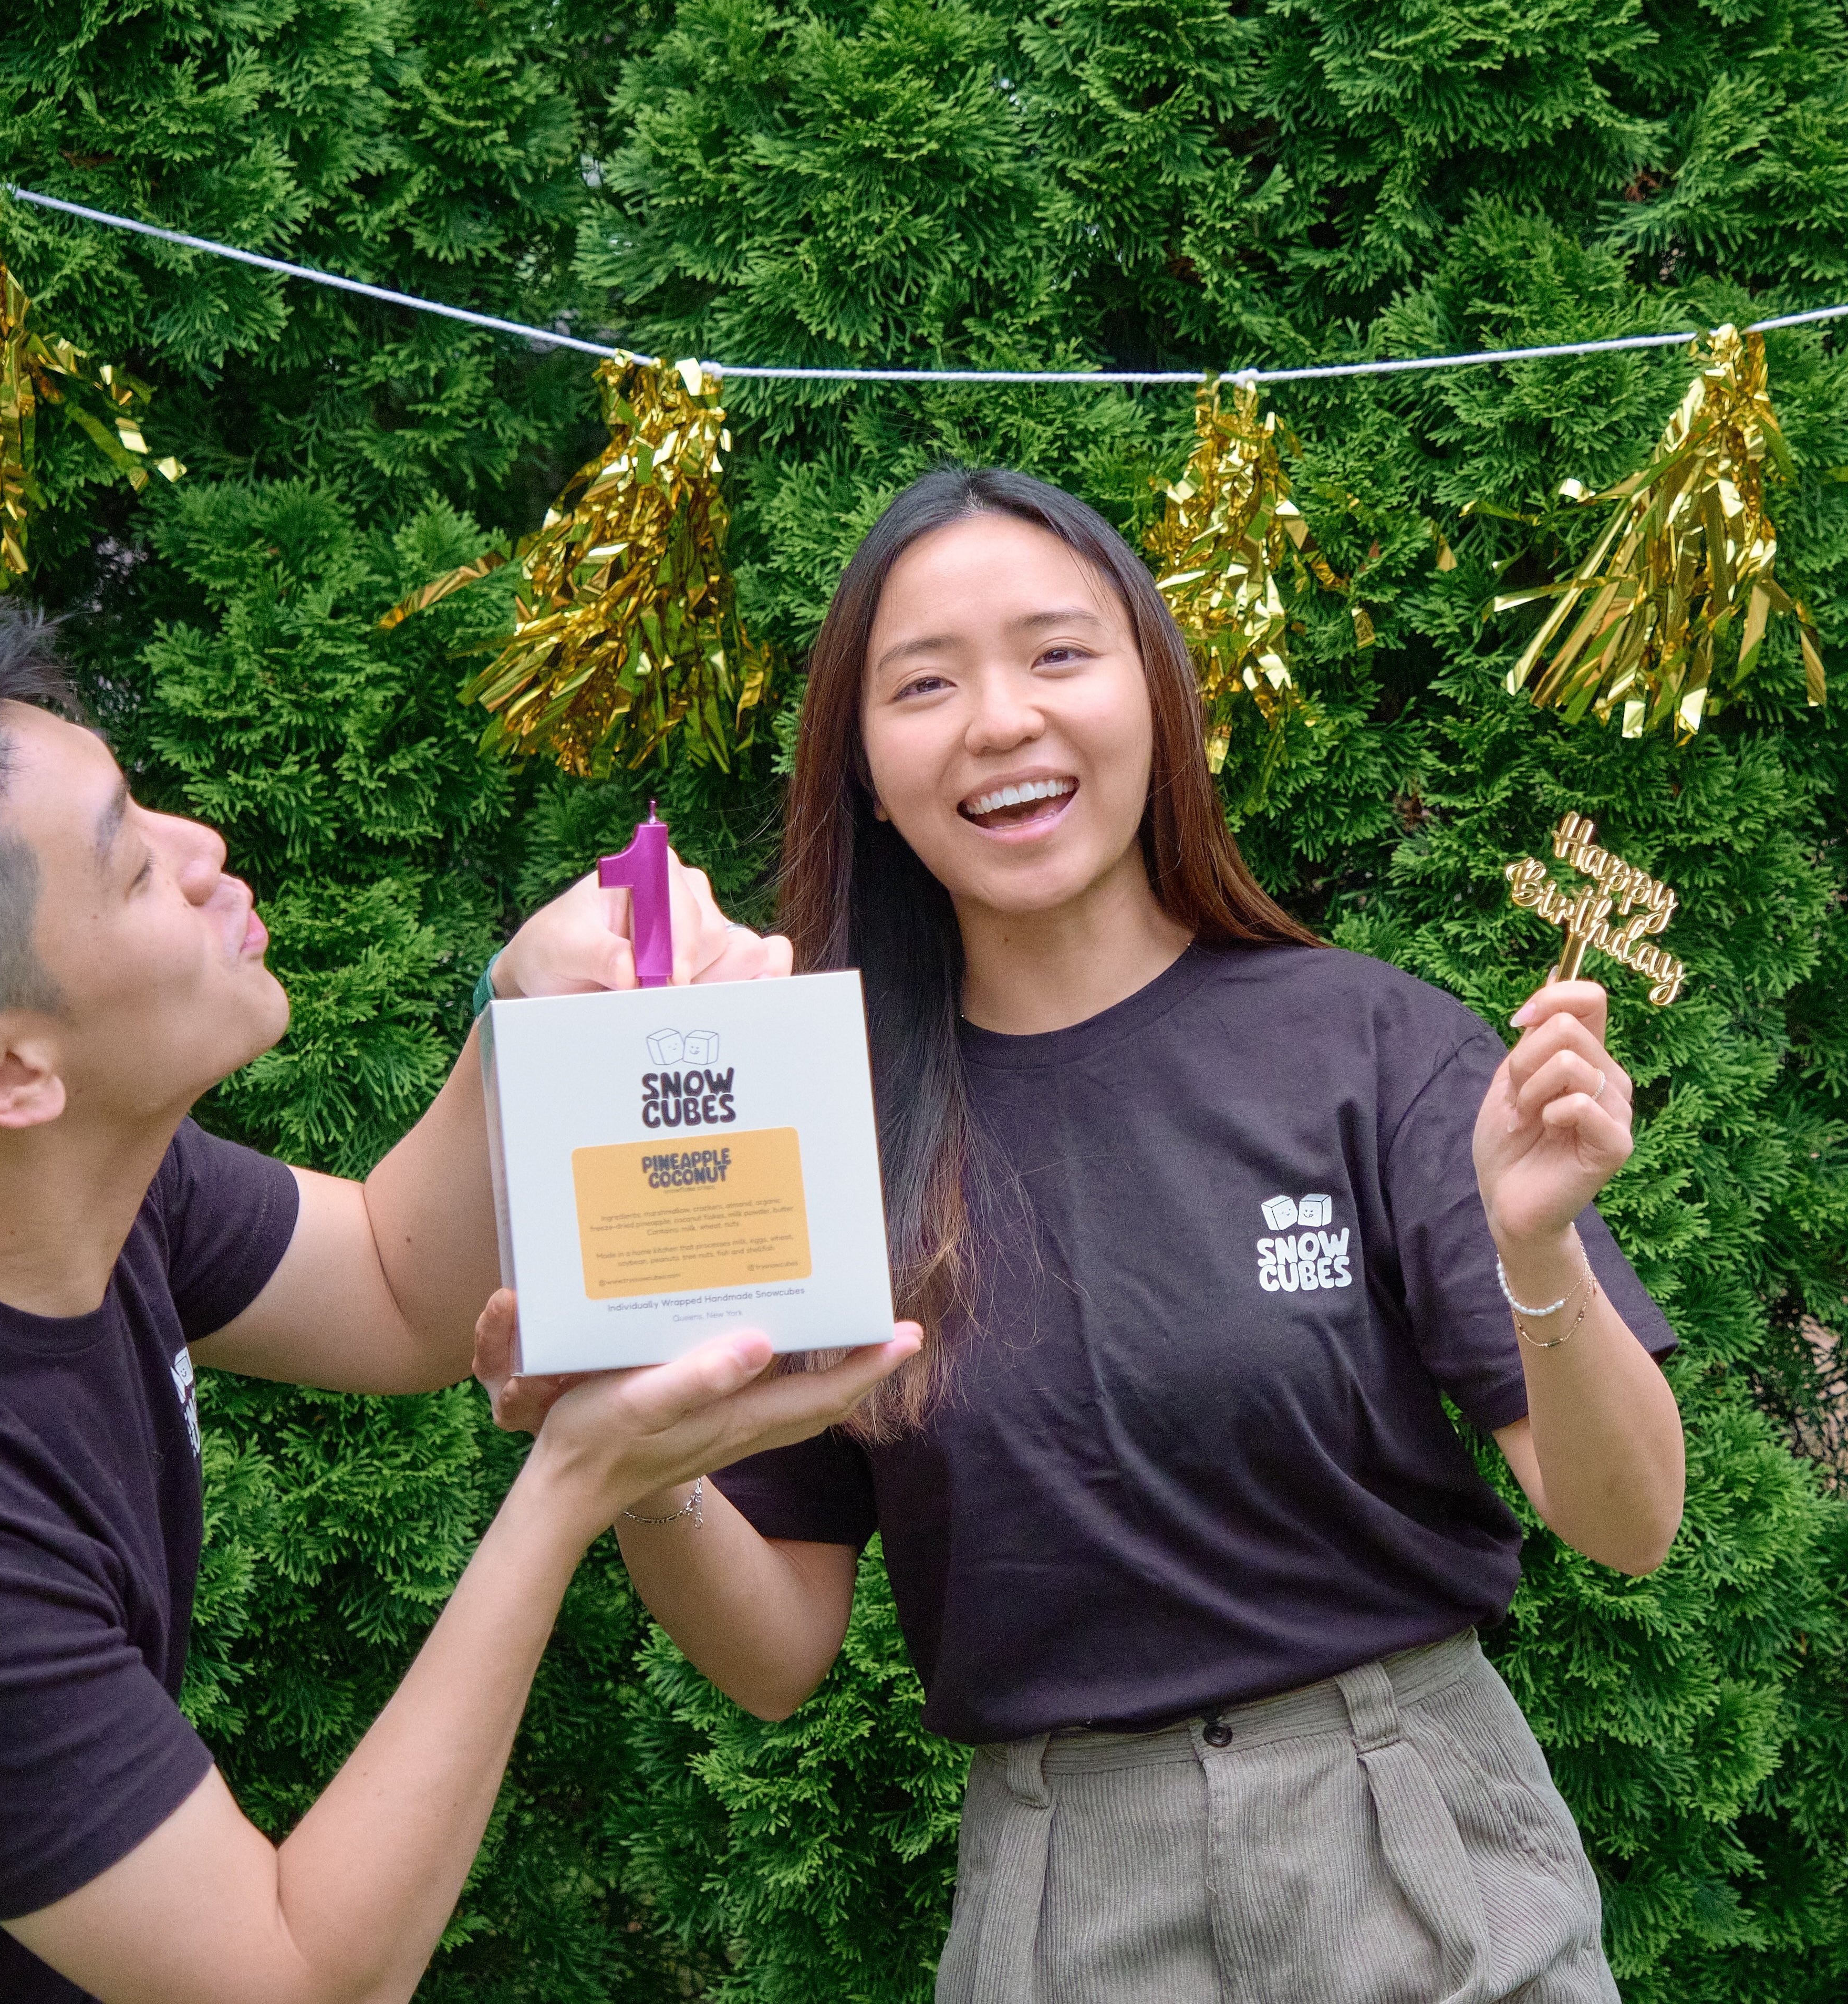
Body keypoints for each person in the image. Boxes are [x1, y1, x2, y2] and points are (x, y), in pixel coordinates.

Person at [482, 467, 1685, 2002]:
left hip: (1423, 1850)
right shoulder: (809, 1123)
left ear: (1156, 698)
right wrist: (634, 1466)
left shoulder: (1368, 1044)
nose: (999, 722)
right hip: (1064, 1902)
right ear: (860, 761)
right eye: (923, 684)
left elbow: (1625, 1521)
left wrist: (1539, 1254)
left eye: (1057, 654)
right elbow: (775, 1653)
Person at [0, 600, 918, 2004]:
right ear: (6, 1072)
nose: (202, 853)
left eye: (143, 802)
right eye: (130, 866)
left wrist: (526, 1010)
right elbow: (302, 1985)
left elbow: (390, 1286)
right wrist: (571, 1485)